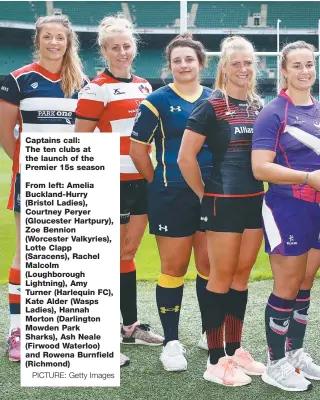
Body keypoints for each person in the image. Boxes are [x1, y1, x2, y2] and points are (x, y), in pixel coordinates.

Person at [74, 14, 163, 368]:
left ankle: (129, 326)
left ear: (134, 48)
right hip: (111, 182)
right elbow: (81, 140)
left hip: (142, 180)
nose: (122, 52)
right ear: (105, 51)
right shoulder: (95, 88)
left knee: (127, 253)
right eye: (115, 47)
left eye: (127, 45)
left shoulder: (145, 86)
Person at [252, 40, 320, 392]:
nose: (305, 71)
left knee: (305, 284)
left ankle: (296, 352)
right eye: (298, 66)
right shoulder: (274, 112)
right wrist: (308, 178)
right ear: (284, 71)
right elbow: (260, 167)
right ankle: (275, 364)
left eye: (310, 65)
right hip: (286, 207)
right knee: (286, 287)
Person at [178, 35, 266, 387]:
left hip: (255, 202)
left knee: (241, 278)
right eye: (236, 64)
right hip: (222, 203)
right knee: (220, 277)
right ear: (223, 69)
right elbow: (186, 158)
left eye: (248, 63)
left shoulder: (259, 106)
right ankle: (216, 360)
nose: (243, 69)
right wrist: (205, 194)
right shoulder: (210, 106)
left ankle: (235, 349)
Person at [0, 14, 87, 363]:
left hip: (73, 178)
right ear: (38, 40)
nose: (54, 43)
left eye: (60, 38)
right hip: (33, 176)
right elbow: (6, 133)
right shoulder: (18, 79)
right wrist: (29, 164)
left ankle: (60, 328)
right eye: (48, 37)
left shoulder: (82, 82)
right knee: (28, 252)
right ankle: (17, 329)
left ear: (69, 42)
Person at [129, 33, 211, 372]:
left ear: (200, 63)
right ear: (170, 65)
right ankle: (172, 342)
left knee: (209, 268)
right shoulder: (156, 101)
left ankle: (211, 332)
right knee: (174, 269)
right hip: (171, 196)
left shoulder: (215, 99)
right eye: (177, 60)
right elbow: (137, 150)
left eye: (189, 59)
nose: (183, 65)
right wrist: (158, 182)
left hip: (210, 196)